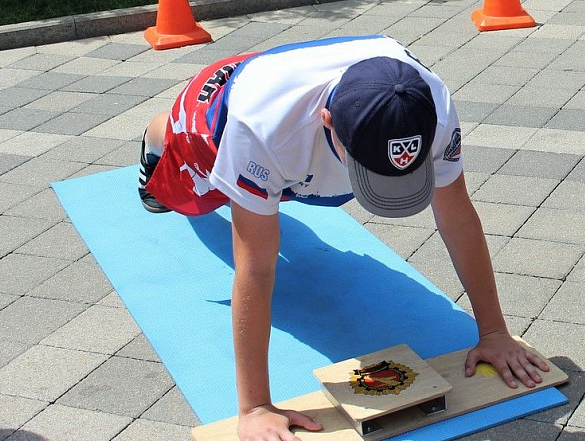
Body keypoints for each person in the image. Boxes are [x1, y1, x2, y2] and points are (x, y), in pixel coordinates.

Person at [137, 36, 549, 441]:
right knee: (186, 188)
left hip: (305, 95)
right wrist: (255, 407)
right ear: (329, 123)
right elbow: (256, 267)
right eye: (373, 172)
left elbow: (457, 215)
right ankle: (153, 140)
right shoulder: (257, 128)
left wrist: (495, 333)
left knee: (275, 196)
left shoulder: (431, 103)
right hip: (220, 108)